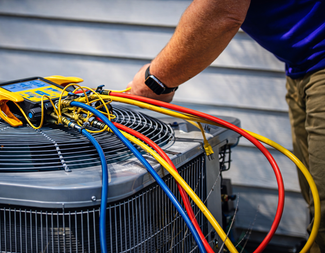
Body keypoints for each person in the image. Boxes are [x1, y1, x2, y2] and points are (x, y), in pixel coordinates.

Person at [126, 0, 325, 252]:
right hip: (302, 66)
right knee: (317, 201)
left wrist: (155, 81)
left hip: (318, 62)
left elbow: (221, 11)